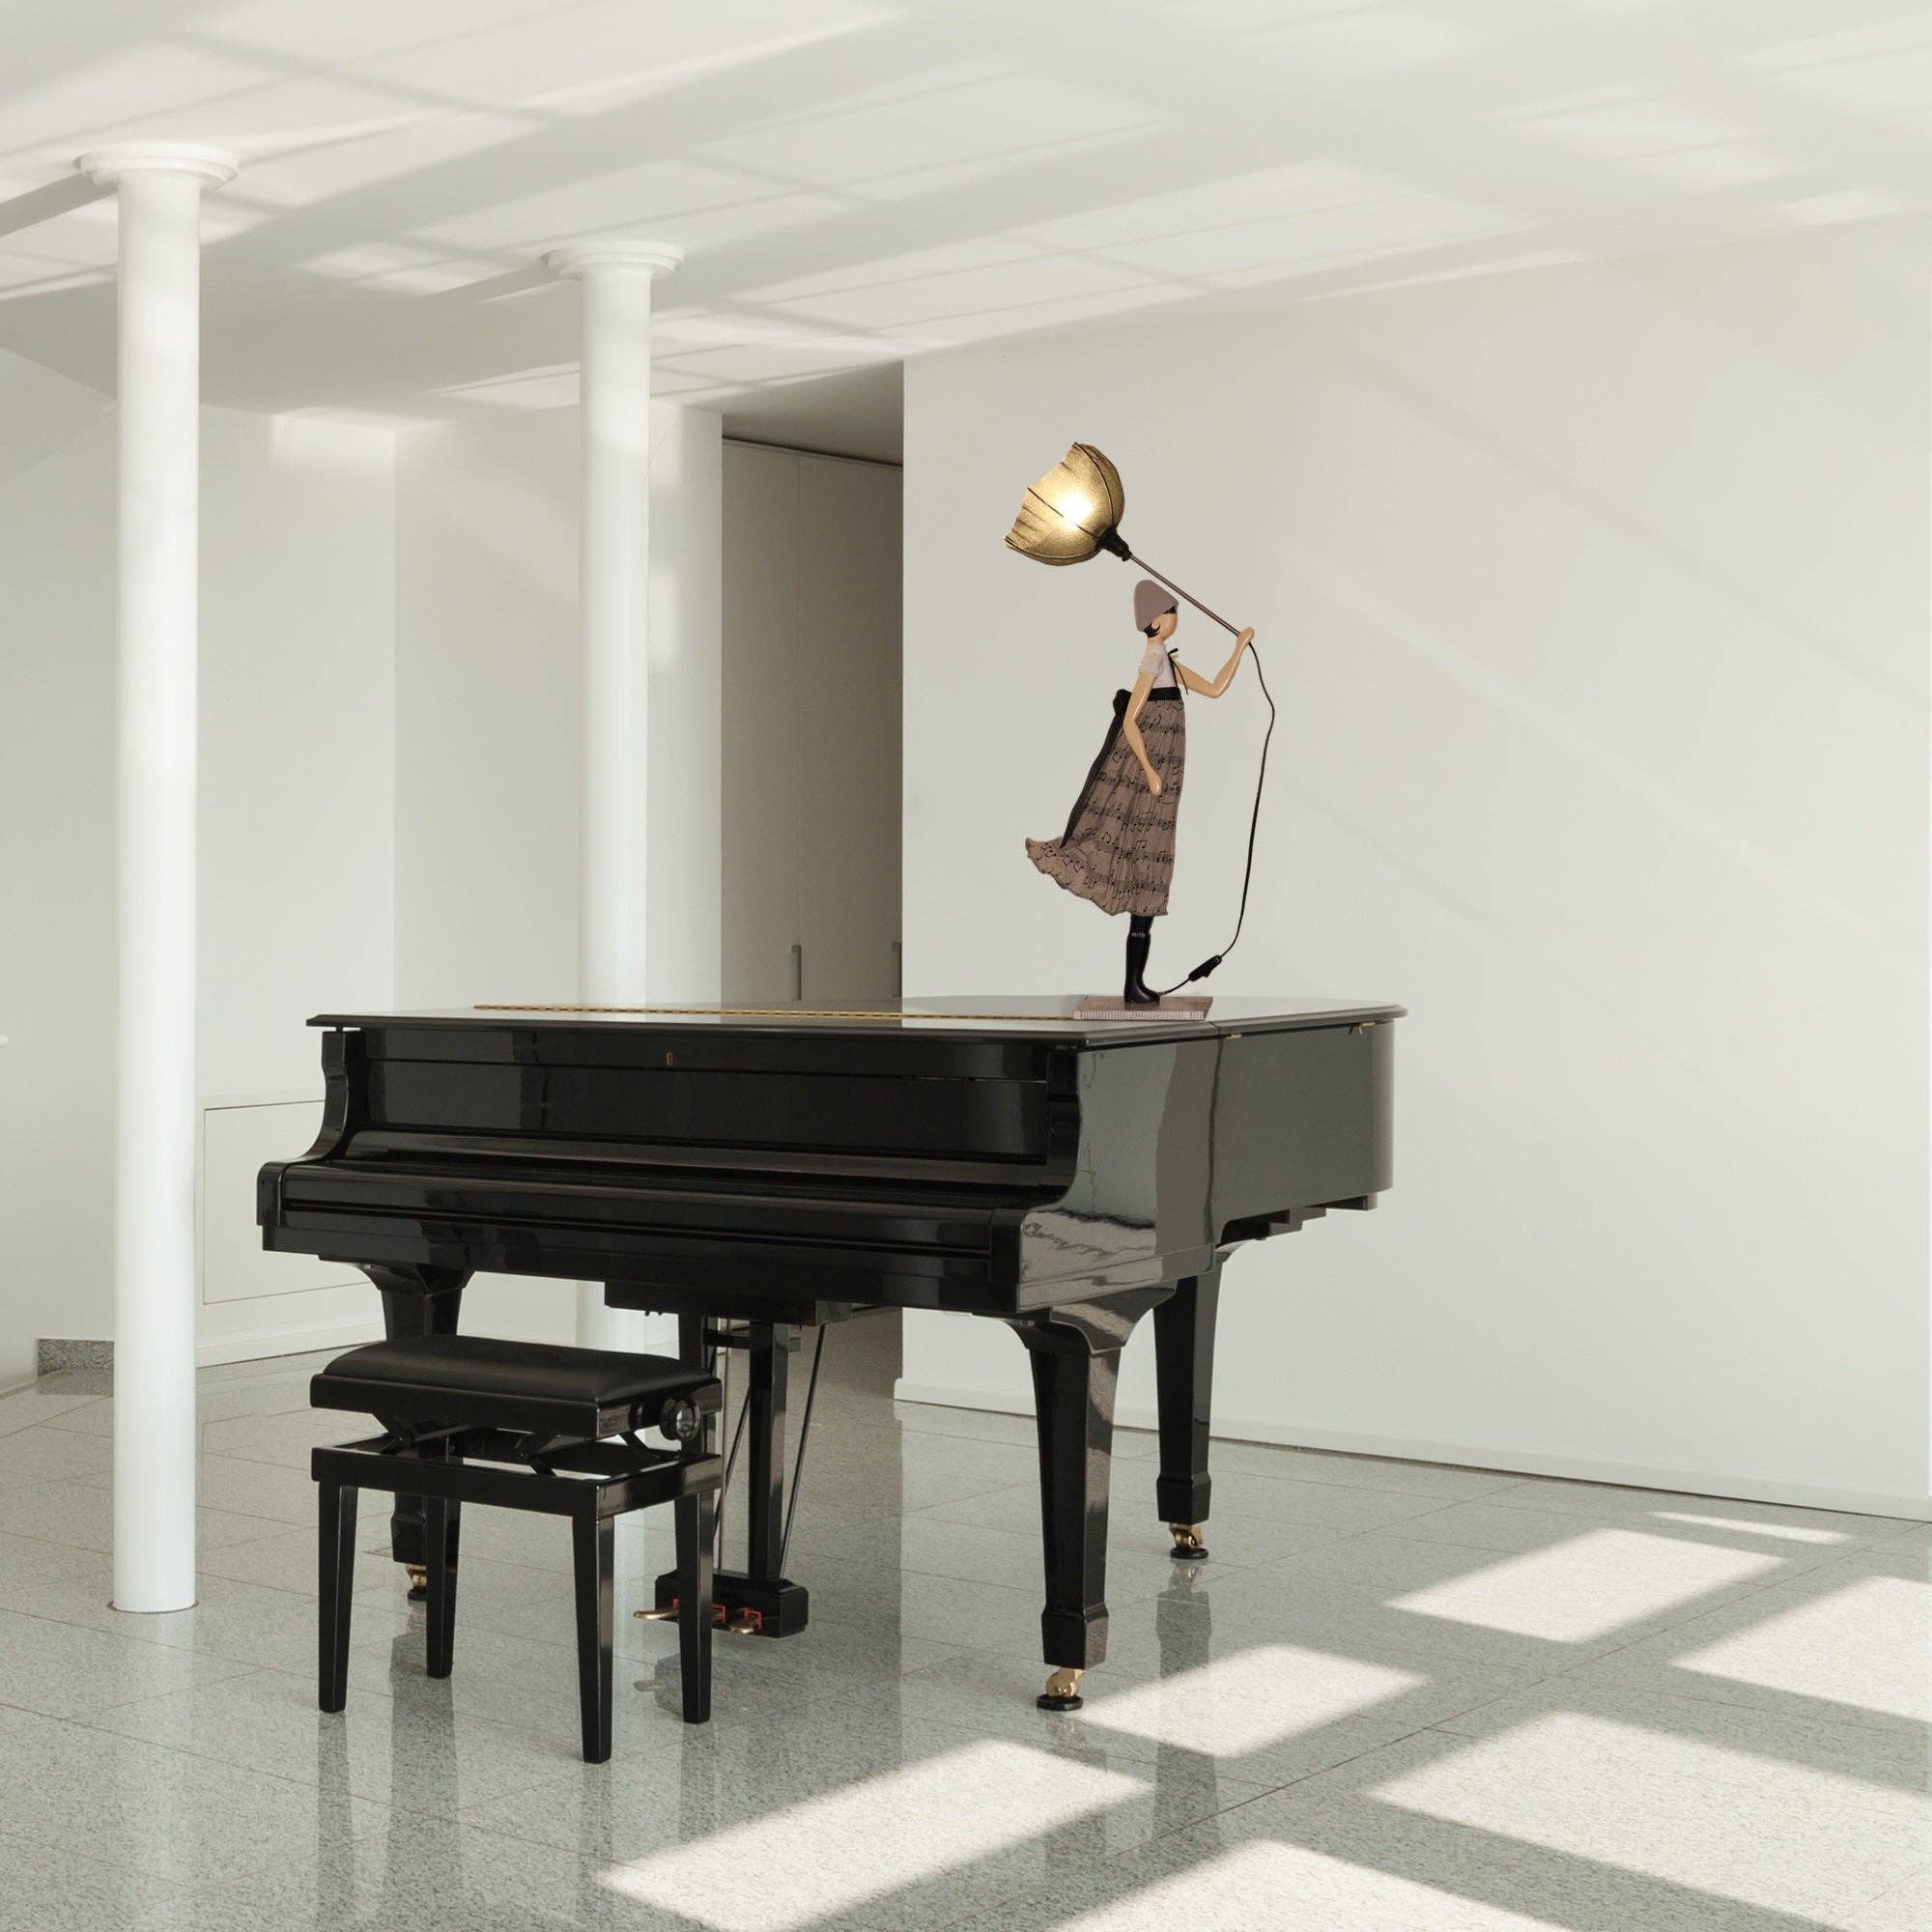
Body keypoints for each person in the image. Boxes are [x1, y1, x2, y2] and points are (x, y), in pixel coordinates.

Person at [1026, 579, 1254, 1003]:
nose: (1174, 619)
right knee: (1144, 862)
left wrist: (1238, 648)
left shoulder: (1170, 662)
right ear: (1152, 620)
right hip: (1151, 781)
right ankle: (1133, 984)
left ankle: (1136, 982)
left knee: (1153, 866)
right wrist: (1148, 770)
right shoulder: (1152, 659)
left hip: (1168, 783)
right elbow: (1131, 720)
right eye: (1169, 612)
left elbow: (1217, 688)